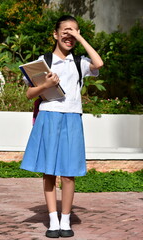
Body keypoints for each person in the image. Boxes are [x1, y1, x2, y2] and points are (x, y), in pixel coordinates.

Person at [20, 15, 103, 238]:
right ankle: (53, 220)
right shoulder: (43, 61)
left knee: (68, 174)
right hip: (49, 117)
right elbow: (29, 94)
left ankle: (66, 220)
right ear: (55, 35)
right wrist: (46, 84)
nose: (70, 35)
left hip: (72, 118)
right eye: (65, 30)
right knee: (49, 173)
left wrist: (81, 38)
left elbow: (99, 63)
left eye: (74, 31)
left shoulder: (80, 62)